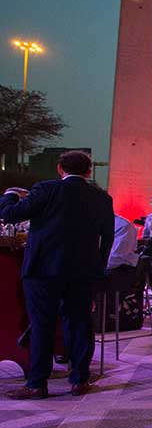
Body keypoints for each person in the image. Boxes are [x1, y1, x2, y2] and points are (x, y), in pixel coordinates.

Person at [0, 150, 114, 398]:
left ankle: (37, 383)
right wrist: (98, 267)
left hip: (43, 269)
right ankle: (79, 380)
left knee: (42, 324)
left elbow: (10, 215)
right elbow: (107, 238)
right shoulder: (102, 198)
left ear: (60, 169)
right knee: (80, 323)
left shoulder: (46, 189)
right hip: (83, 271)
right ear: (88, 171)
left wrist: (9, 195)